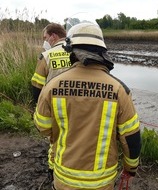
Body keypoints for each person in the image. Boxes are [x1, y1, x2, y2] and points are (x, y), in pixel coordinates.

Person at [33, 20, 141, 190]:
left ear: (71, 50)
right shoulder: (120, 90)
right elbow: (132, 139)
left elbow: (42, 127)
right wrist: (130, 169)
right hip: (103, 182)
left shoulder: (52, 86)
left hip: (64, 178)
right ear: (102, 51)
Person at [31, 23, 71, 104]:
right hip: (75, 104)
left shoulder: (45, 56)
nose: (44, 41)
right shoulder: (77, 53)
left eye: (45, 38)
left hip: (54, 105)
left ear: (53, 36)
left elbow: (37, 87)